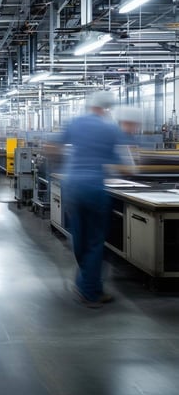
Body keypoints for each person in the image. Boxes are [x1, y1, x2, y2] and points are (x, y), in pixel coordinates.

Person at [58, 91, 129, 308]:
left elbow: (53, 148)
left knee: (79, 238)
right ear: (107, 108)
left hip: (72, 186)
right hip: (95, 189)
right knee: (96, 242)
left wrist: (65, 165)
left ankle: (88, 285)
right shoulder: (110, 127)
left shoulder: (75, 122)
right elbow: (124, 165)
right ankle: (89, 290)